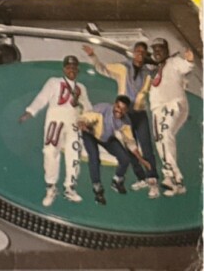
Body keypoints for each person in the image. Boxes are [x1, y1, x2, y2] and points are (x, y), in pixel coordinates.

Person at [81, 41, 159, 192]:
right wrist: (93, 56)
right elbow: (103, 69)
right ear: (133, 53)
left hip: (140, 113)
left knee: (146, 145)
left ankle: (152, 178)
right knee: (130, 147)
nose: (140, 54)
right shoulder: (122, 67)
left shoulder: (148, 72)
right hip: (125, 113)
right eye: (138, 51)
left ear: (145, 55)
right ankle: (141, 178)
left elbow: (158, 78)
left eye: (143, 52)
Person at [19, 55, 92, 207]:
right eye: (69, 67)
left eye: (74, 67)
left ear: (78, 70)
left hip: (74, 122)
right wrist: (30, 111)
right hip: (55, 121)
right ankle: (51, 188)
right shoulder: (54, 82)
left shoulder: (81, 88)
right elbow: (42, 97)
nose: (71, 70)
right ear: (64, 69)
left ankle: (70, 188)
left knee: (74, 154)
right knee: (50, 151)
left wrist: (88, 121)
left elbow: (87, 107)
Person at [78, 95, 155, 203]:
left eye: (123, 109)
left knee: (125, 158)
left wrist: (141, 159)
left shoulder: (125, 122)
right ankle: (97, 188)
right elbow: (84, 118)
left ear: (126, 110)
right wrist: (83, 124)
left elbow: (130, 143)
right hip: (90, 134)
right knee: (94, 158)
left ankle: (117, 181)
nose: (119, 111)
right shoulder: (102, 110)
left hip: (106, 137)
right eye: (118, 107)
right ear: (114, 105)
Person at [145, 37, 195, 196]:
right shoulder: (153, 68)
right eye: (154, 50)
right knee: (160, 141)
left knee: (166, 134)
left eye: (160, 49)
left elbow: (187, 66)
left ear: (166, 50)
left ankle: (173, 175)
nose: (157, 52)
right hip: (157, 110)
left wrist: (189, 59)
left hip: (174, 104)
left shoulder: (174, 62)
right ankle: (174, 181)